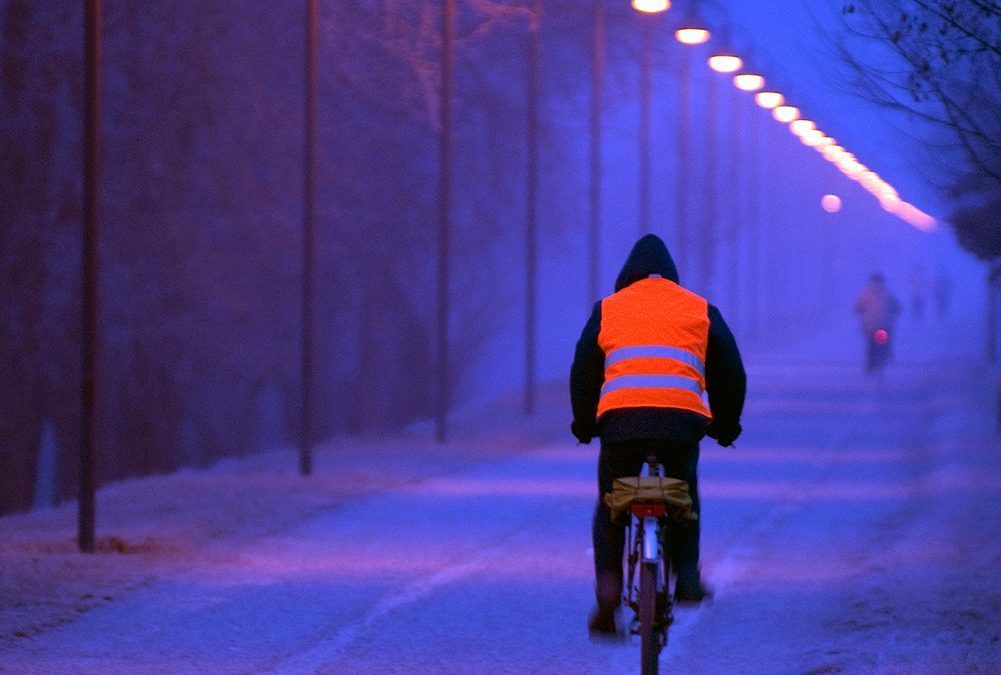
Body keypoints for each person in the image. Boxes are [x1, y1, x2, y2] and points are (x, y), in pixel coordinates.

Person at [570, 234, 746, 639]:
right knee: (683, 492)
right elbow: (731, 370)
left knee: (612, 503)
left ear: (625, 277)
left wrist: (583, 425)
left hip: (620, 426)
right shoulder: (699, 309)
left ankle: (608, 594)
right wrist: (725, 425)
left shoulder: (608, 309)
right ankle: (686, 575)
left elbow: (583, 367)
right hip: (681, 425)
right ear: (672, 276)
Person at [853, 273, 901, 373]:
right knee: (886, 341)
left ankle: (870, 365)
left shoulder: (865, 293)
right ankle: (887, 357)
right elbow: (897, 307)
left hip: (871, 324)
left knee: (871, 344)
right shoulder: (887, 293)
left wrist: (861, 312)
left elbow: (858, 307)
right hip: (885, 323)